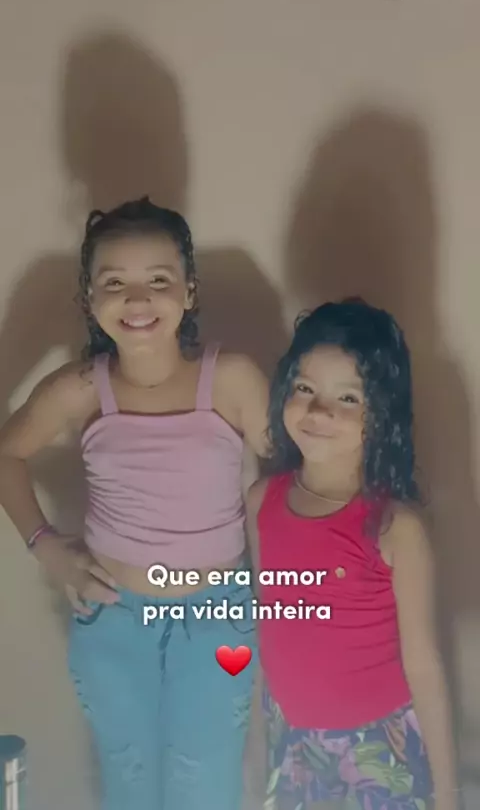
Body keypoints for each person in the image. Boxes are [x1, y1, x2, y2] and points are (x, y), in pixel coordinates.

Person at [0, 197, 270, 810]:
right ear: (90, 299)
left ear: (189, 292)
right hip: (114, 618)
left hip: (217, 617)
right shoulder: (79, 389)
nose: (138, 299)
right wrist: (47, 547)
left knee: (206, 783)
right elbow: (7, 455)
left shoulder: (232, 380)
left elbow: (287, 481)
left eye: (159, 280)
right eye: (115, 282)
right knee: (130, 779)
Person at [246, 299, 460, 810]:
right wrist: (255, 755)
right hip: (291, 740)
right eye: (305, 388)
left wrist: (449, 795)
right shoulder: (261, 501)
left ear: (380, 415)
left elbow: (424, 664)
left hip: (382, 747)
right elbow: (264, 623)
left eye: (348, 397)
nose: (319, 411)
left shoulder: (396, 528)